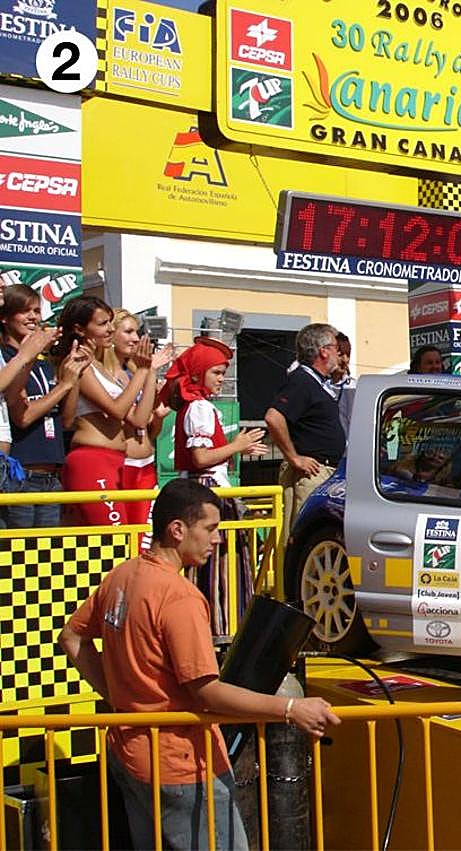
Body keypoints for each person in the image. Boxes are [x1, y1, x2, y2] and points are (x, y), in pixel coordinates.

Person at [58, 477, 340, 851]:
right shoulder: (179, 598)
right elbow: (207, 692)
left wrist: (120, 699)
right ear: (177, 530)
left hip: (130, 752)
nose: (217, 539)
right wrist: (291, 709)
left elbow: (72, 638)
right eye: (210, 529)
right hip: (182, 765)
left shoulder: (122, 576)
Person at [161, 337, 267, 634]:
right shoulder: (199, 408)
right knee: (221, 568)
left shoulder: (196, 406)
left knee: (219, 566)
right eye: (216, 373)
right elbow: (200, 457)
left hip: (202, 490)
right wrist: (237, 445)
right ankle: (220, 631)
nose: (221, 379)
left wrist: (239, 449)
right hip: (207, 495)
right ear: (198, 373)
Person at [56, 297, 158, 528]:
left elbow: (138, 419)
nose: (110, 329)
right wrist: (142, 371)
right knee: (114, 540)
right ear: (80, 329)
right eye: (102, 324)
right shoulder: (77, 363)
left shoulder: (99, 365)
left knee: (127, 540)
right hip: (92, 459)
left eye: (111, 322)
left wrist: (149, 372)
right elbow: (116, 411)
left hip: (118, 460)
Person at [0, 284, 88, 528]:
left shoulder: (43, 364)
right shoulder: (8, 359)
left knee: (45, 559)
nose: (33, 317)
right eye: (25, 310)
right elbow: (23, 417)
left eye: (37, 311)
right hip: (21, 475)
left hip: (51, 476)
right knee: (18, 557)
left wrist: (73, 375)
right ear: (5, 318)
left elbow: (66, 420)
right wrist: (62, 386)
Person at [264, 323, 346, 537]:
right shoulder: (302, 381)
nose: (340, 353)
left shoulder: (317, 383)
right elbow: (274, 417)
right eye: (336, 347)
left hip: (323, 472)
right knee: (303, 536)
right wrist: (295, 458)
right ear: (323, 350)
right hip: (310, 475)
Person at [113, 310, 174, 544]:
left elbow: (149, 430)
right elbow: (132, 420)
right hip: (122, 463)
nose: (137, 339)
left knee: (145, 537)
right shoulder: (108, 373)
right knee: (123, 539)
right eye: (128, 332)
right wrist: (148, 370)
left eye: (137, 332)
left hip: (146, 464)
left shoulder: (133, 370)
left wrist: (158, 418)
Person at [332, 332, 355, 437]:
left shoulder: (353, 386)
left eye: (348, 355)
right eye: (341, 355)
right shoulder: (319, 386)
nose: (345, 360)